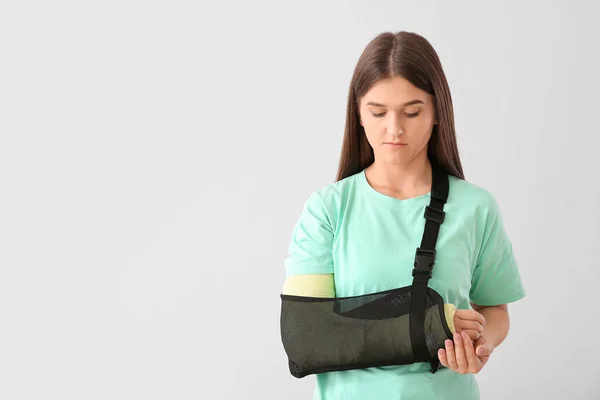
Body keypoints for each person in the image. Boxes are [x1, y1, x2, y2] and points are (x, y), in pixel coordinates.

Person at [281, 31, 526, 399]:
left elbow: (495, 309)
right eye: (377, 112)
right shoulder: (327, 210)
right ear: (358, 114)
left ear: (437, 113)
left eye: (412, 112)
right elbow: (307, 339)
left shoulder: (475, 207)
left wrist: (481, 345)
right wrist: (430, 324)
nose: (394, 128)